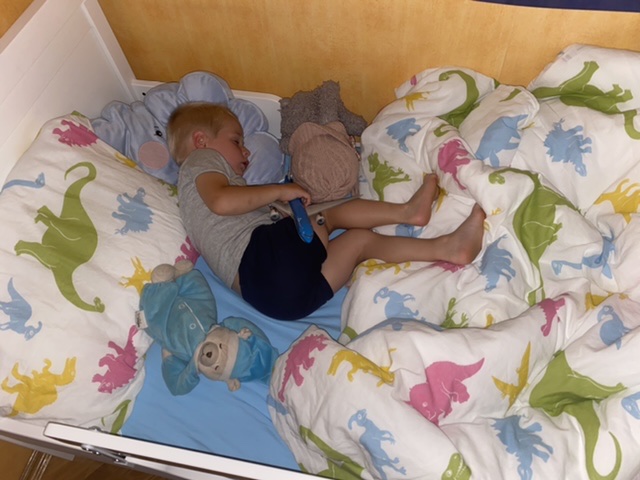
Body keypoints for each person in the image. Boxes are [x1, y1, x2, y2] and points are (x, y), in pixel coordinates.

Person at [168, 102, 485, 321]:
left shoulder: (194, 192)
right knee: (328, 214)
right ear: (201, 141)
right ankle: (407, 212)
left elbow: (234, 210)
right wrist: (279, 190)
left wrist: (279, 207)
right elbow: (222, 202)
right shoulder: (201, 161)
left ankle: (447, 248)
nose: (246, 150)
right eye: (236, 141)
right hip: (263, 265)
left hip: (277, 301)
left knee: (359, 242)